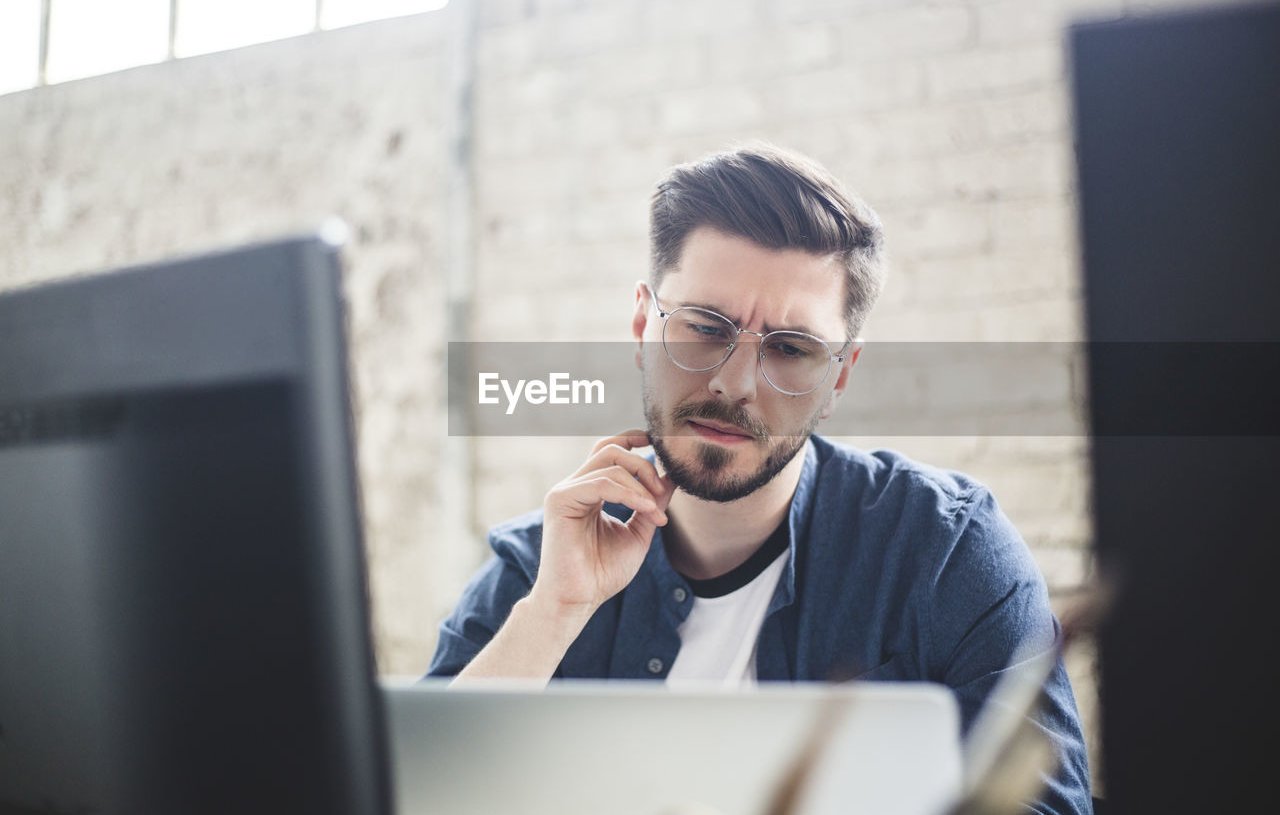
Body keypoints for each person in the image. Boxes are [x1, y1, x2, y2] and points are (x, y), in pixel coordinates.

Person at [427, 143, 1092, 814]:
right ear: (641, 327)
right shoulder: (541, 567)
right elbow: (416, 790)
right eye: (704, 327)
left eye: (791, 349)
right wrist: (554, 612)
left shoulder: (944, 551)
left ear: (838, 376)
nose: (733, 383)